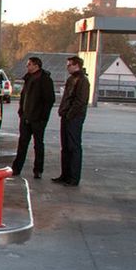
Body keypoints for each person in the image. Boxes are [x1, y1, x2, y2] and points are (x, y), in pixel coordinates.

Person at [11, 56, 56, 179]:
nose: (27, 66)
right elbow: (24, 97)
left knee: (38, 144)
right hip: (26, 117)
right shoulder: (28, 78)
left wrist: (42, 117)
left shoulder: (45, 80)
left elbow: (49, 100)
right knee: (22, 143)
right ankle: (16, 168)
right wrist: (21, 112)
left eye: (29, 64)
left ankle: (38, 170)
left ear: (36, 66)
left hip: (37, 119)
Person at [52, 55, 90, 186]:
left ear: (76, 65)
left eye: (69, 65)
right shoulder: (72, 79)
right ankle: (65, 174)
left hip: (74, 117)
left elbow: (80, 101)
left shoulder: (82, 81)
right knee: (66, 147)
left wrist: (69, 114)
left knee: (73, 146)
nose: (67, 67)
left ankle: (73, 177)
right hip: (67, 116)